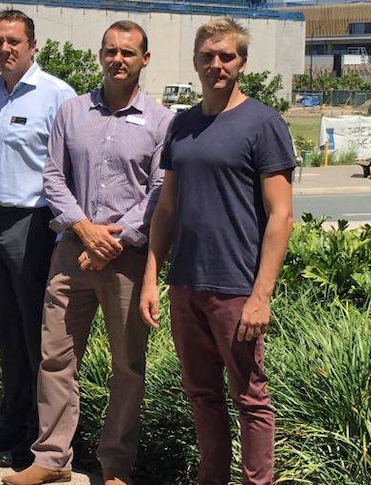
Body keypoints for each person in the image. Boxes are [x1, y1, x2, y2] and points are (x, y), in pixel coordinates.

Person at [1, 21, 172, 485]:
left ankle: (116, 465)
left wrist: (112, 242)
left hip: (128, 259)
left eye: (128, 52)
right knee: (55, 358)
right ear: (100, 55)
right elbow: (53, 176)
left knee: (127, 366)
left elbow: (159, 193)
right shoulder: (72, 112)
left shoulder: (161, 121)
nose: (118, 59)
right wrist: (83, 228)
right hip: (70, 254)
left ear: (145, 59)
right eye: (110, 51)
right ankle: (52, 460)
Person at [139, 17, 294, 485]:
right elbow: (166, 209)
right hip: (187, 284)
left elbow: (281, 216)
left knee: (250, 399)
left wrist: (260, 295)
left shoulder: (263, 123)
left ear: (241, 62)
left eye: (226, 55)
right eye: (208, 55)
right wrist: (152, 276)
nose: (217, 64)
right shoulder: (182, 125)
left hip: (236, 287)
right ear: (195, 61)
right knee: (202, 395)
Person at [0, 8, 76, 467]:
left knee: (35, 336)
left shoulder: (55, 95)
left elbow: (71, 168)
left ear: (33, 45)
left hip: (33, 225)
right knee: (7, 333)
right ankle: (11, 421)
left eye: (13, 41)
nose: (4, 49)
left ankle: (36, 436)